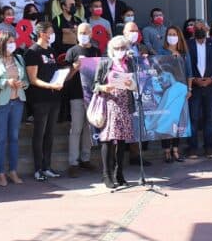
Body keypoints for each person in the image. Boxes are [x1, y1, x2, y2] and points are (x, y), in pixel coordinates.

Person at [0, 33, 29, 186]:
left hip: (18, 102)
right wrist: (5, 82)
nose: (12, 44)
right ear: (2, 43)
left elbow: (26, 80)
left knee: (14, 138)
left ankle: (13, 171)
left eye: (13, 42)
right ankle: (1, 173)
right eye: (9, 42)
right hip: (1, 104)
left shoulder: (19, 59)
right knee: (1, 139)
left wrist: (23, 84)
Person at [93, 36, 136, 188]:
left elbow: (135, 85)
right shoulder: (105, 62)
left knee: (122, 140)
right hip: (109, 103)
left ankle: (119, 173)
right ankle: (107, 174)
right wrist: (104, 87)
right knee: (108, 139)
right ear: (111, 49)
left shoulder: (129, 62)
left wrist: (131, 84)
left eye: (122, 48)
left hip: (124, 104)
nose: (120, 51)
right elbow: (96, 84)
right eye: (117, 48)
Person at [25, 22, 65, 181]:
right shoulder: (32, 52)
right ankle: (38, 168)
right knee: (39, 133)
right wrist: (50, 85)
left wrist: (61, 79)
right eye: (50, 32)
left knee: (50, 133)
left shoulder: (51, 50)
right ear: (42, 33)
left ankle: (47, 166)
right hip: (40, 98)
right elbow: (33, 79)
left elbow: (53, 71)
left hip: (54, 97)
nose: (52, 35)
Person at [63, 23, 101, 177]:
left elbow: (101, 71)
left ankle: (85, 159)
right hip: (77, 95)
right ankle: (73, 162)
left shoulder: (96, 50)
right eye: (80, 32)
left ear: (91, 33)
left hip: (93, 95)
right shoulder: (71, 51)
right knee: (76, 129)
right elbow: (65, 77)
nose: (83, 35)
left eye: (86, 32)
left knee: (88, 130)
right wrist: (74, 68)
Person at [156, 26, 193, 163]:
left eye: (175, 34)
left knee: (178, 120)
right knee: (166, 119)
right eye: (170, 34)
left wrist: (190, 89)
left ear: (179, 37)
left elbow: (189, 73)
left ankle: (176, 150)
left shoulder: (184, 53)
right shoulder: (161, 51)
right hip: (166, 91)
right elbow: (157, 69)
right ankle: (166, 151)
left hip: (181, 91)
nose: (172, 37)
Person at [188, 21, 212, 158]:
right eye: (197, 27)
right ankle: (193, 148)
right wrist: (194, 79)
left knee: (209, 118)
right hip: (194, 86)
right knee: (194, 118)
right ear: (193, 30)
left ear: (207, 29)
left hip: (211, 86)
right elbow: (185, 64)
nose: (200, 29)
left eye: (203, 27)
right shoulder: (188, 44)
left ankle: (209, 147)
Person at [123, 21, 153, 165]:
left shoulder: (142, 47)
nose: (134, 33)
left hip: (140, 89)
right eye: (131, 31)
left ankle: (136, 155)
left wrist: (147, 58)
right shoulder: (119, 46)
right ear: (124, 33)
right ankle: (119, 156)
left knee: (138, 122)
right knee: (125, 123)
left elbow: (153, 64)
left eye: (136, 30)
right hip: (124, 89)